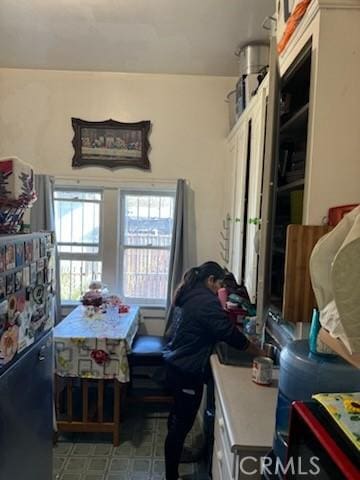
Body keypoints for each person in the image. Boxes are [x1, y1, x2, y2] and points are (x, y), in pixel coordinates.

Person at [163, 261, 263, 480]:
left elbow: (216, 328)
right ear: (211, 280)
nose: (221, 289)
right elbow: (229, 333)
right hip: (186, 368)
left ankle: (177, 455)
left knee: (177, 418)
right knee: (181, 423)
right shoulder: (206, 301)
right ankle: (171, 475)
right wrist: (258, 352)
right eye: (219, 284)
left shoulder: (192, 292)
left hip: (176, 363)